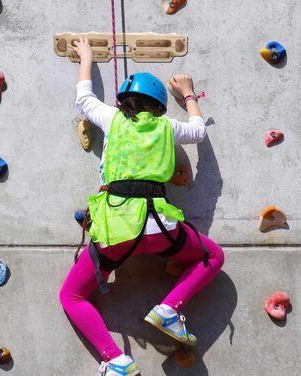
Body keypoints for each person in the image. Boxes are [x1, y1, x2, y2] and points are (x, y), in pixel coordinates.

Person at [59, 37, 225, 376]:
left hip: (116, 231)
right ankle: (168, 308)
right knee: (213, 256)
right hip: (160, 228)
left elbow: (84, 99)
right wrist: (189, 93)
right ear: (160, 107)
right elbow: (197, 132)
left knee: (72, 296)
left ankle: (115, 360)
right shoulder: (167, 127)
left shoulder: (111, 118)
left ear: (123, 102)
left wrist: (87, 57)